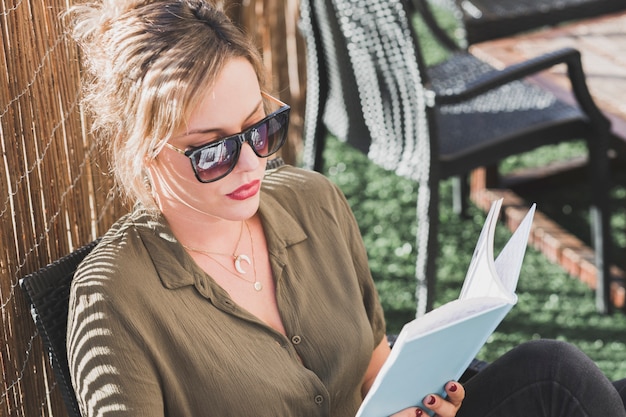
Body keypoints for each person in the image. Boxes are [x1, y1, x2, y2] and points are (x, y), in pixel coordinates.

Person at [65, 1, 626, 416]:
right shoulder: (115, 297)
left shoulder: (314, 202)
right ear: (145, 154)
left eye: (259, 129)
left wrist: (425, 403)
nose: (249, 166)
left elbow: (373, 365)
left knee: (563, 377)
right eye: (212, 150)